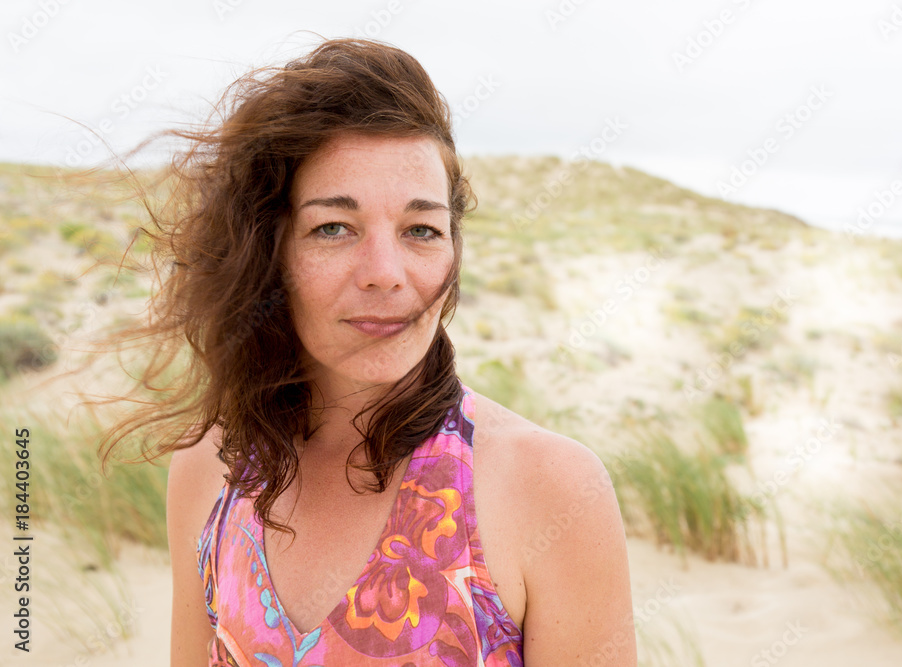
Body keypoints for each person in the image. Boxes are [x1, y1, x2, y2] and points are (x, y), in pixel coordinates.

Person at [100, 37, 634, 666]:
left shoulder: (548, 488)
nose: (385, 273)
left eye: (421, 230)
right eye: (333, 227)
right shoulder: (212, 467)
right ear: (266, 254)